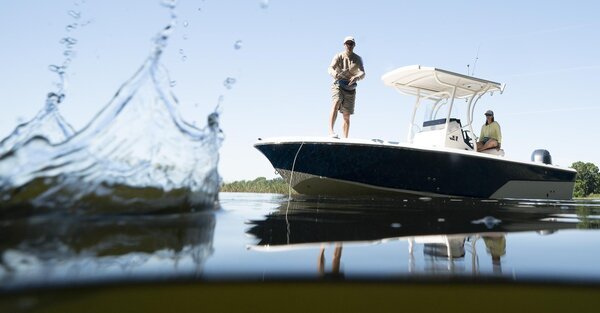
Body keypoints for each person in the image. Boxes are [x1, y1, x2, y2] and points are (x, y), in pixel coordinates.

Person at [328, 36, 365, 138]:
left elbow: (362, 73)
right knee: (336, 102)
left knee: (346, 114)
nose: (349, 45)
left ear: (354, 45)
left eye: (351, 44)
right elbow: (330, 68)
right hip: (338, 83)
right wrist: (334, 73)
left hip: (350, 87)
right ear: (344, 45)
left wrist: (356, 77)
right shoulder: (338, 56)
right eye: (347, 43)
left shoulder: (358, 59)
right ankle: (331, 131)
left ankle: (345, 138)